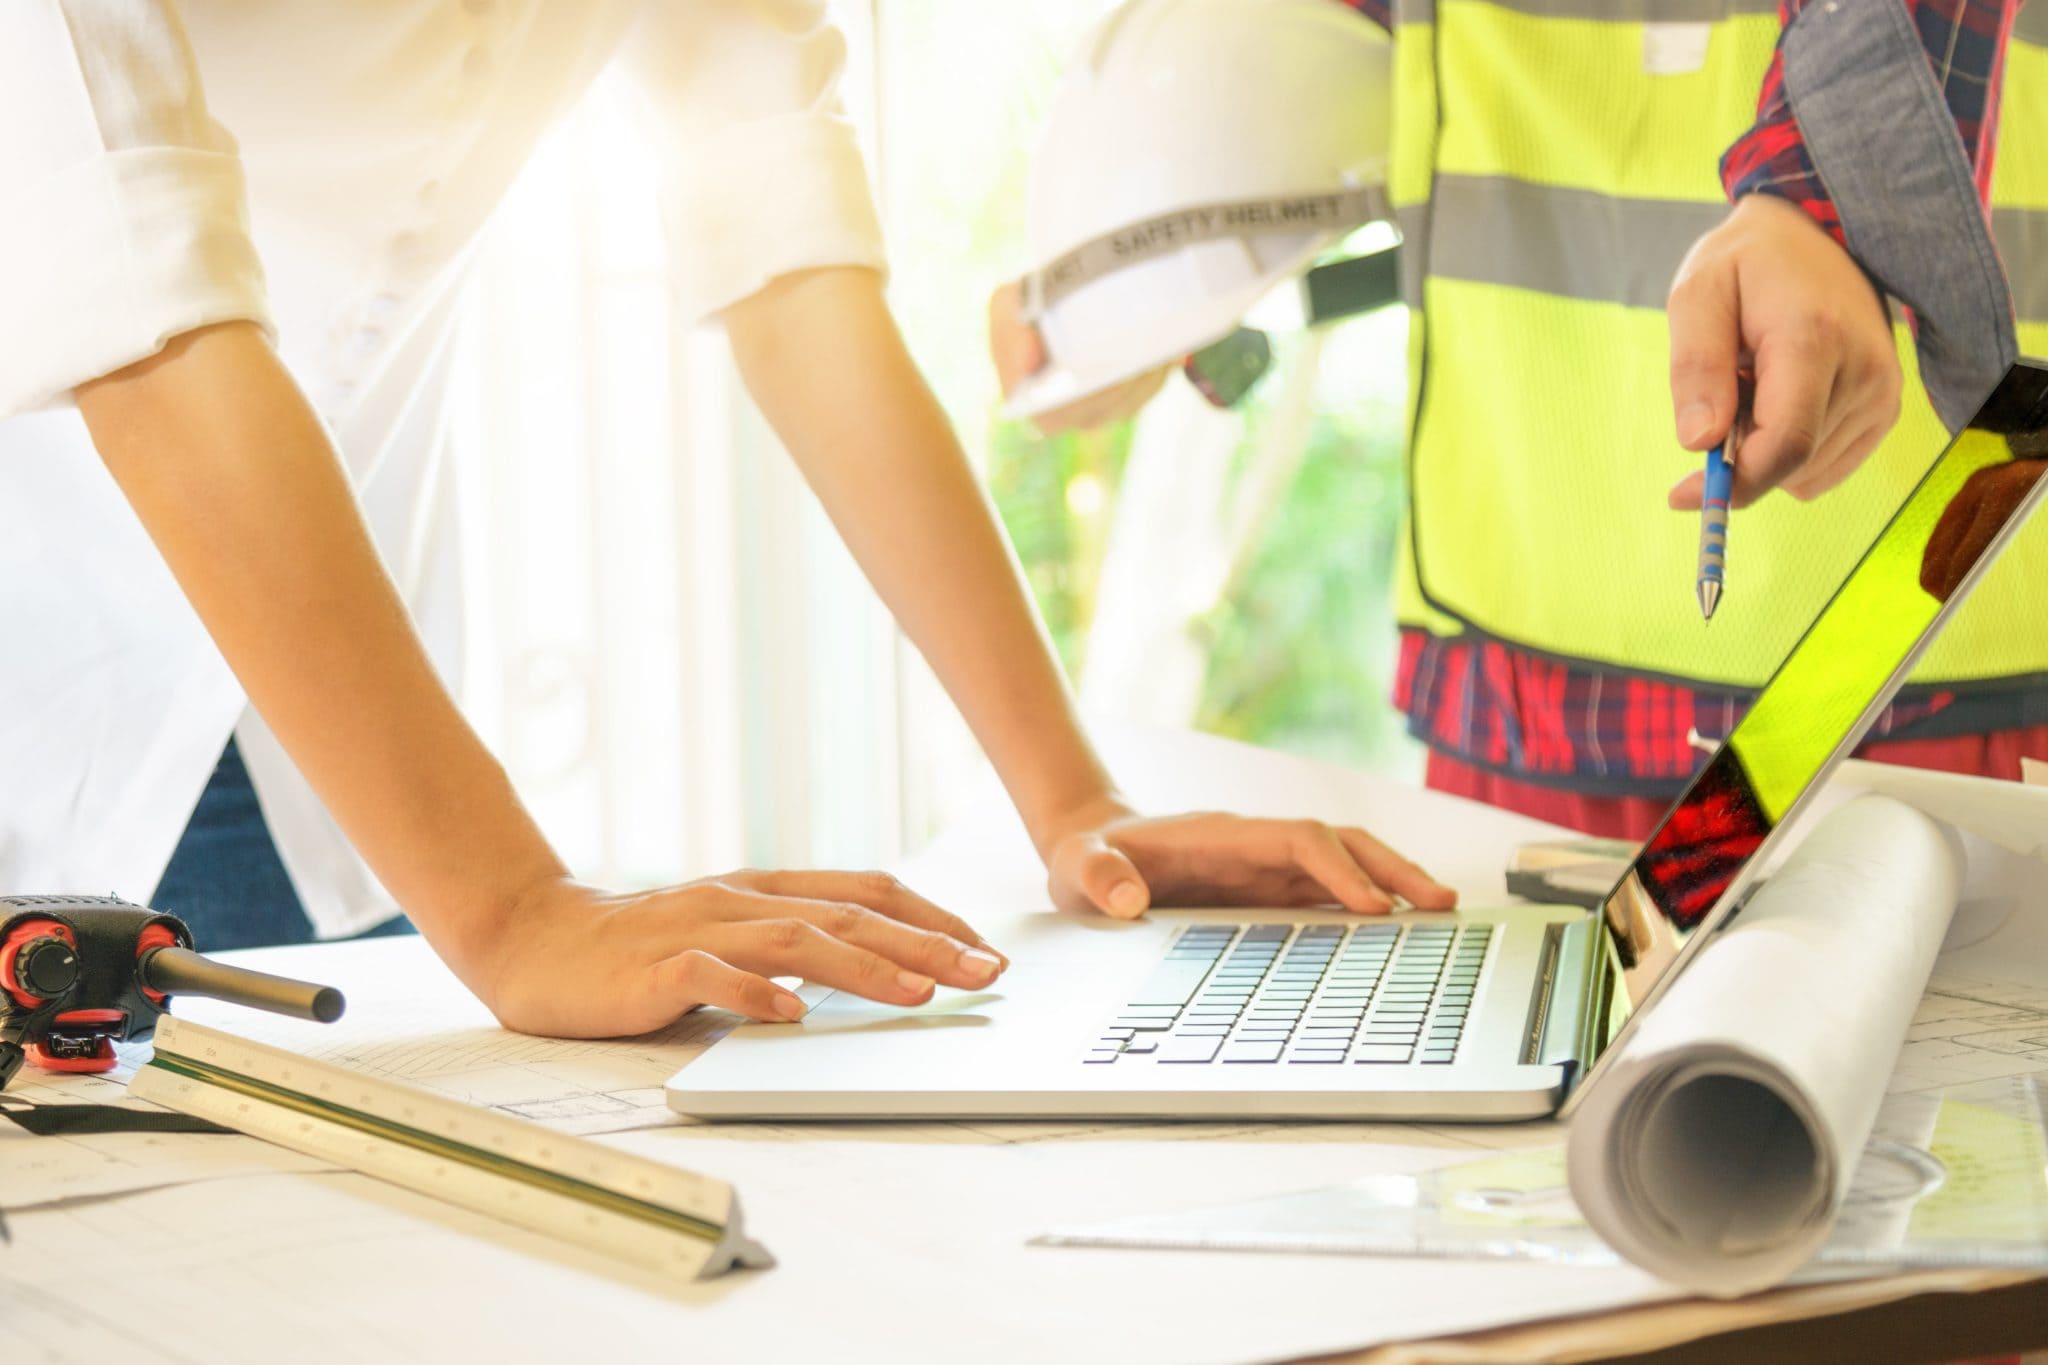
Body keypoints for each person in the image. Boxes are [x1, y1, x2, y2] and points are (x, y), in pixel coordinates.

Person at [0, 2, 1458, 1040]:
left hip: (328, 734)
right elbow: (145, 315)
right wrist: (512, 907)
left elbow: (791, 256)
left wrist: (1077, 803)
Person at [993, 0, 2048, 841]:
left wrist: (1821, 193)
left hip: (1930, 674)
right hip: (1525, 687)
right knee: (1529, 1087)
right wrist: (1121, 268)